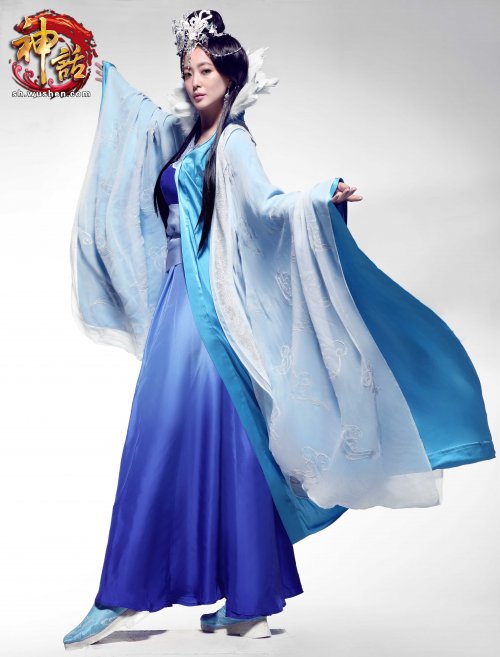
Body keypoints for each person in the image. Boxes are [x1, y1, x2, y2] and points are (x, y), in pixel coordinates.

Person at [63, 8, 495, 650]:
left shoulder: (234, 143)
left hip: (208, 310)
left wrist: (320, 197)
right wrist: (101, 73)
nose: (194, 81)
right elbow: (142, 134)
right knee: (206, 440)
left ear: (231, 77)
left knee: (184, 441)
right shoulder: (186, 139)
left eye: (205, 70)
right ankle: (248, 601)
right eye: (187, 71)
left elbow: (266, 206)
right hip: (179, 303)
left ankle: (128, 595)